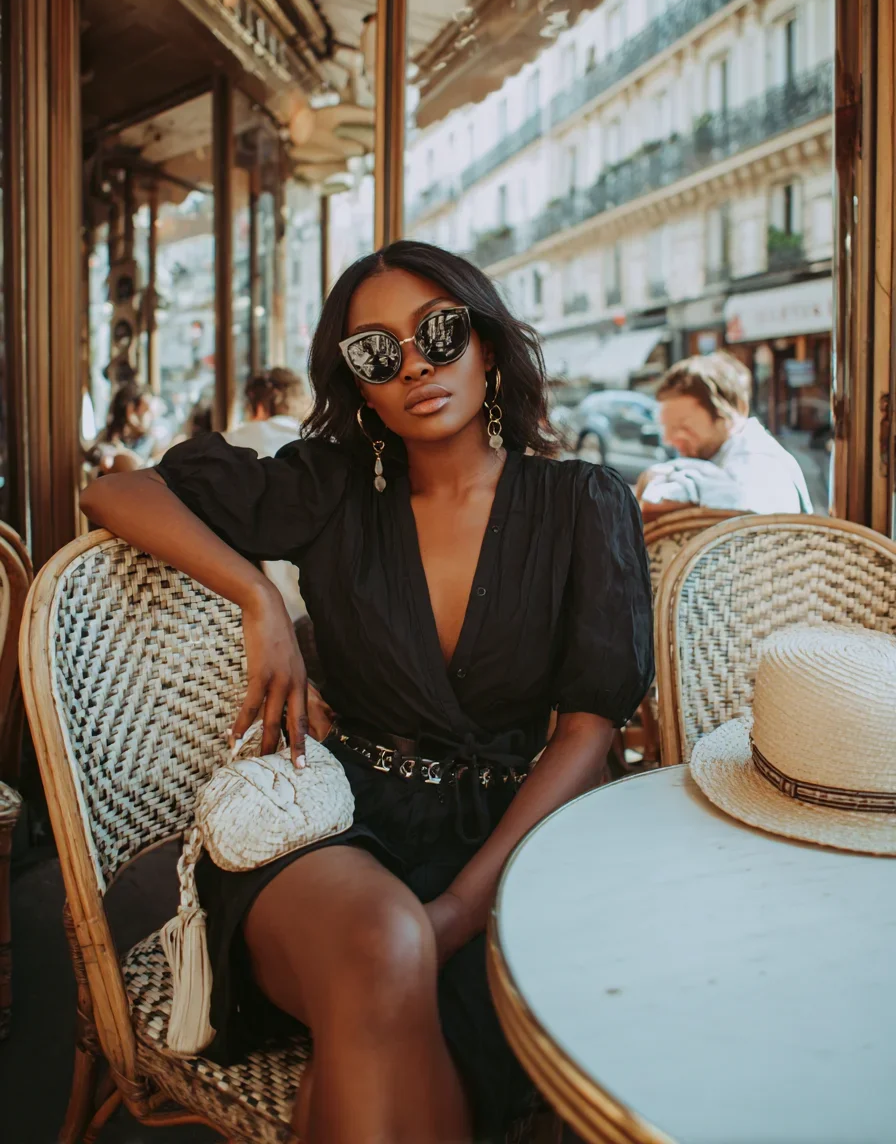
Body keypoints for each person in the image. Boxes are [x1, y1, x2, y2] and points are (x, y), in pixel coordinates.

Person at [80, 240, 653, 1144]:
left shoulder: (584, 502)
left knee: (378, 1068)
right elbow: (117, 491)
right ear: (361, 384)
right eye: (379, 353)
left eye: (440, 331)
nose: (417, 362)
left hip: (514, 843)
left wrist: (463, 908)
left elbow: (589, 730)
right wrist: (259, 594)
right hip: (334, 822)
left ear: (489, 344)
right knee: (389, 943)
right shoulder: (331, 488)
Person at [638, 352, 813, 519]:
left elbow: (742, 502)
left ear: (731, 415)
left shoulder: (758, 458)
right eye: (667, 427)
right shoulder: (717, 458)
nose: (670, 439)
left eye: (684, 426)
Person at [226, 369, 310, 631]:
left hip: (256, 607)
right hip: (323, 599)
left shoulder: (234, 442)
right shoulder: (320, 440)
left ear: (259, 405)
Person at [87, 380, 158, 475]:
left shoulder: (149, 441)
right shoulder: (107, 437)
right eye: (146, 411)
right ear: (131, 411)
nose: (152, 416)